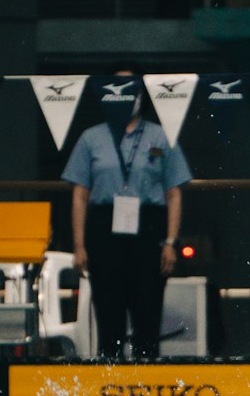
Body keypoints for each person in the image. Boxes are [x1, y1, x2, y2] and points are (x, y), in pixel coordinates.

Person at [62, 64, 192, 359]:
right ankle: (111, 376)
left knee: (147, 304)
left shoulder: (161, 137)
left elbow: (174, 193)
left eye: (131, 89)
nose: (125, 97)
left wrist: (171, 242)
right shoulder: (91, 138)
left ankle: (147, 376)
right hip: (104, 224)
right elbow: (80, 194)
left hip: (148, 225)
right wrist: (79, 245)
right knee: (108, 305)